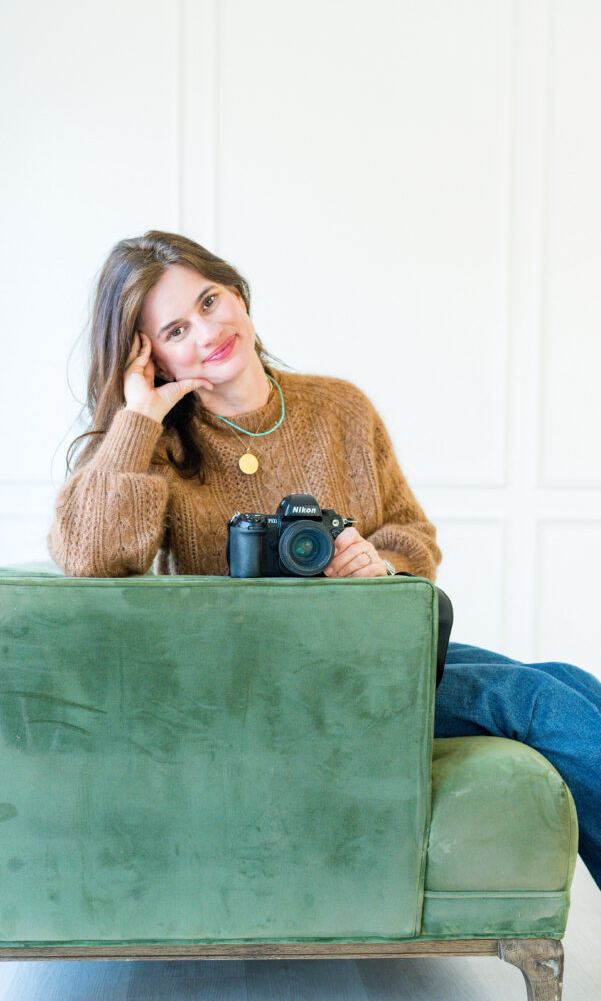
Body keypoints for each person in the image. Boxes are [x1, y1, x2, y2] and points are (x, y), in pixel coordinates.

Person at [48, 230, 601, 891]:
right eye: (174, 329)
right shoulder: (159, 448)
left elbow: (409, 532)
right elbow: (87, 555)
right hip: (258, 688)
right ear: (150, 357)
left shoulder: (338, 408)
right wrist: (137, 419)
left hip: (370, 656)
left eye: (209, 300)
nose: (207, 330)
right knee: (533, 699)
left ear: (236, 292)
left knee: (567, 678)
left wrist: (379, 566)